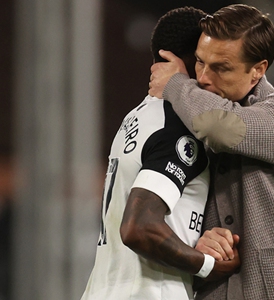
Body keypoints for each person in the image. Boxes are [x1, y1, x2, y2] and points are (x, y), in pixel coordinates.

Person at [148, 4, 274, 299]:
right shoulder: (191, 118)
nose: (204, 77)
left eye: (221, 68)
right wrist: (199, 244)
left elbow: (225, 128)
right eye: (200, 62)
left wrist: (176, 84)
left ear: (258, 70)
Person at [81, 7, 240, 300]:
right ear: (181, 62)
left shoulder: (138, 117)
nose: (209, 77)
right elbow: (138, 227)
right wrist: (207, 265)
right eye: (204, 63)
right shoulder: (177, 127)